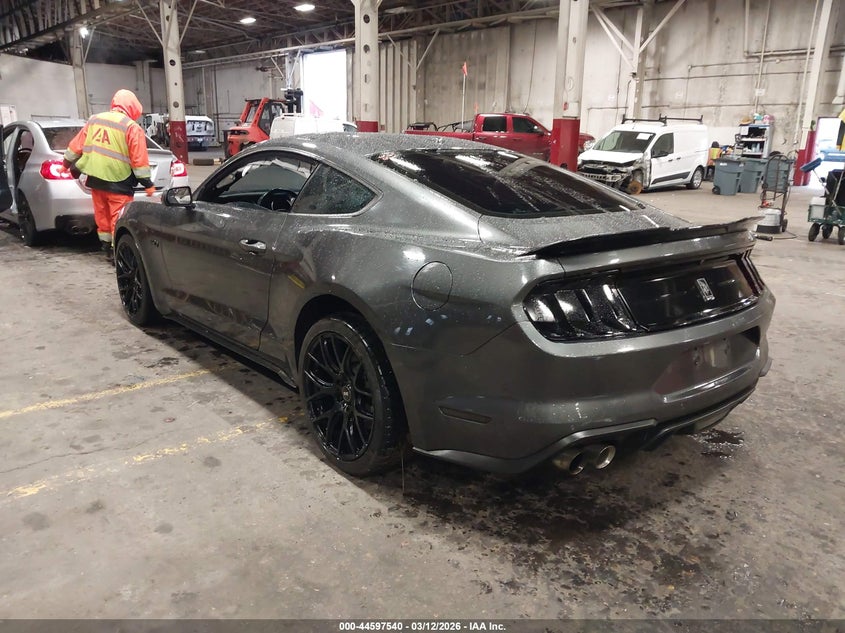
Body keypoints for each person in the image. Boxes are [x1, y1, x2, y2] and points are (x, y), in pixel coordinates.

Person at [62, 89, 156, 262]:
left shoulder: (94, 120)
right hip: (119, 181)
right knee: (118, 218)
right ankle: (119, 253)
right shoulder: (131, 127)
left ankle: (106, 248)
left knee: (102, 217)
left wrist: (65, 165)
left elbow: (76, 146)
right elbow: (139, 159)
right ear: (132, 107)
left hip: (96, 180)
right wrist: (147, 183)